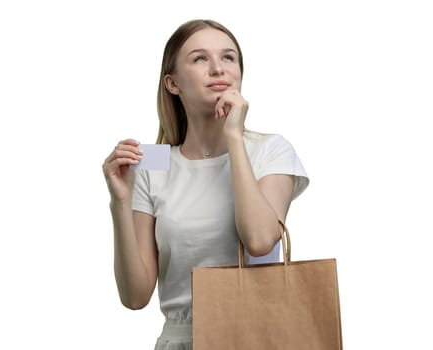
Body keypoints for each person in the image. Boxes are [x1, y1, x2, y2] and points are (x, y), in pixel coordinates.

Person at [102, 19, 309, 350]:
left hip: (257, 336)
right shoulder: (153, 161)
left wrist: (233, 135)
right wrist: (119, 204)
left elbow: (258, 240)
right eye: (200, 59)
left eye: (228, 57)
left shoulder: (270, 149)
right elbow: (135, 296)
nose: (218, 69)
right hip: (182, 339)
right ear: (172, 83)